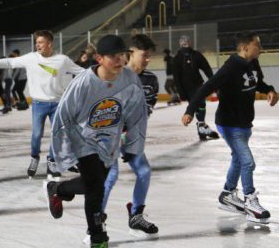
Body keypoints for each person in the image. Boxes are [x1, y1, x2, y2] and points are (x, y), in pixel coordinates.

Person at [46, 35, 147, 248]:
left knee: (94, 184)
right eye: (114, 56)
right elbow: (63, 117)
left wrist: (133, 145)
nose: (120, 60)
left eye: (123, 55)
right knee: (96, 188)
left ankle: (58, 190)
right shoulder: (83, 83)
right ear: (99, 58)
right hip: (83, 141)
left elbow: (137, 112)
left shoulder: (130, 79)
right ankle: (99, 243)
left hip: (109, 143)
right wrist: (61, 154)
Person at [182, 31, 278, 224]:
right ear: (245, 48)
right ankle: (250, 200)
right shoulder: (230, 67)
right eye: (257, 45)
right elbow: (205, 88)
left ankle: (227, 194)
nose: (260, 49)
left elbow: (257, 83)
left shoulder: (252, 63)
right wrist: (190, 111)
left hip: (244, 123)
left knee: (237, 159)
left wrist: (269, 90)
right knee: (248, 162)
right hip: (229, 124)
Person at [0, 30, 84, 180]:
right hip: (39, 104)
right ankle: (34, 157)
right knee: (37, 135)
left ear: (49, 43)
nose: (37, 45)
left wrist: (101, 73)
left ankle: (52, 161)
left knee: (57, 135)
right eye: (36, 42)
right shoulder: (31, 58)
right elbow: (11, 62)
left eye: (41, 42)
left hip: (57, 103)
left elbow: (81, 72)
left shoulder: (62, 60)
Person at [101, 34, 159, 235]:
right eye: (144, 55)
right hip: (108, 136)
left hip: (131, 135)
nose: (147, 59)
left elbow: (146, 112)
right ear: (131, 54)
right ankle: (96, 222)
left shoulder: (151, 80)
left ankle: (136, 214)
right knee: (111, 176)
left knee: (144, 171)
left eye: (150, 56)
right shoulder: (115, 76)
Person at [172, 35, 218, 140]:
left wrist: (213, 81)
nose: (185, 45)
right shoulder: (177, 59)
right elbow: (176, 78)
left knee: (201, 104)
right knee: (196, 105)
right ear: (180, 44)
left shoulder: (196, 55)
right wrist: (181, 92)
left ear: (190, 43)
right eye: (183, 43)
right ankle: (201, 125)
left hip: (198, 85)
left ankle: (201, 125)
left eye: (187, 43)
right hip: (186, 88)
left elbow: (207, 68)